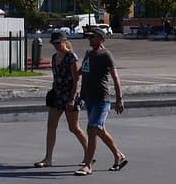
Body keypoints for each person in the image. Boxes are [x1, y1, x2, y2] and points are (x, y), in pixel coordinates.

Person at [74, 28, 126, 176]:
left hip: (101, 99)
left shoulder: (106, 55)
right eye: (89, 37)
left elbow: (115, 77)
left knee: (92, 129)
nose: (90, 39)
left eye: (93, 37)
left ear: (101, 39)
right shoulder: (88, 53)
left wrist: (119, 99)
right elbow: (82, 71)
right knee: (99, 130)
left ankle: (88, 165)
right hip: (88, 97)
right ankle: (118, 155)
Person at [33, 31, 88, 167]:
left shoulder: (71, 57)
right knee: (51, 125)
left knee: (74, 127)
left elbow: (76, 80)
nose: (56, 46)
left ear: (64, 41)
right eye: (54, 43)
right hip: (57, 95)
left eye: (58, 43)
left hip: (69, 95)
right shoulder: (54, 57)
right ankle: (48, 158)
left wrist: (72, 99)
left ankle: (89, 154)